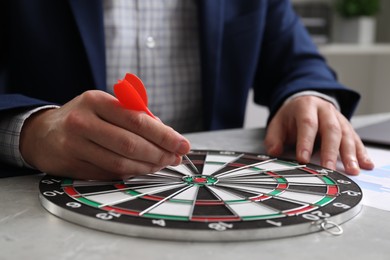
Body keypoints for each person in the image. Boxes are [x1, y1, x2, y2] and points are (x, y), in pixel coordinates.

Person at [0, 0, 374, 180]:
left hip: (216, 206)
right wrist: (31, 132)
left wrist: (307, 97)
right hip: (49, 206)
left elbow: (299, 61)